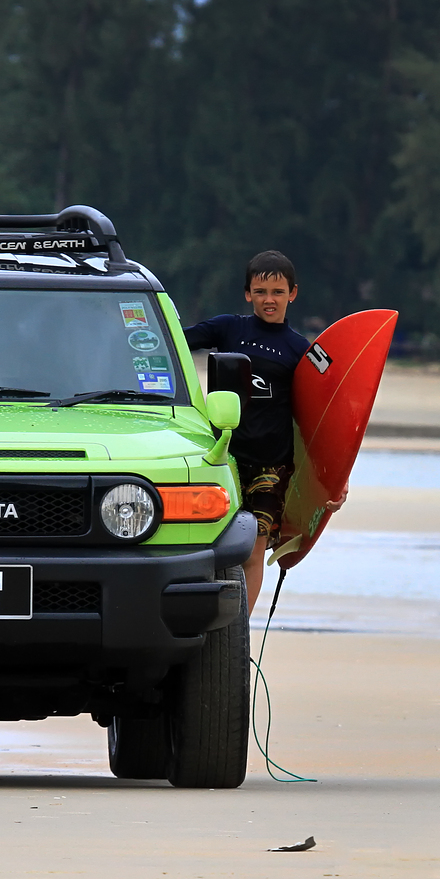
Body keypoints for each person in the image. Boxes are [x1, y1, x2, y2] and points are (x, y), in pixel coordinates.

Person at [182, 250, 345, 614]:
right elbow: (172, 343)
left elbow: (323, 419)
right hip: (224, 457)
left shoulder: (302, 350)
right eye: (259, 292)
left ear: (293, 293)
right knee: (212, 542)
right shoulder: (228, 328)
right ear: (247, 294)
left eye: (276, 292)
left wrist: (338, 477)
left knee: (253, 547)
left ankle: (237, 630)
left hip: (272, 465)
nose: (268, 300)